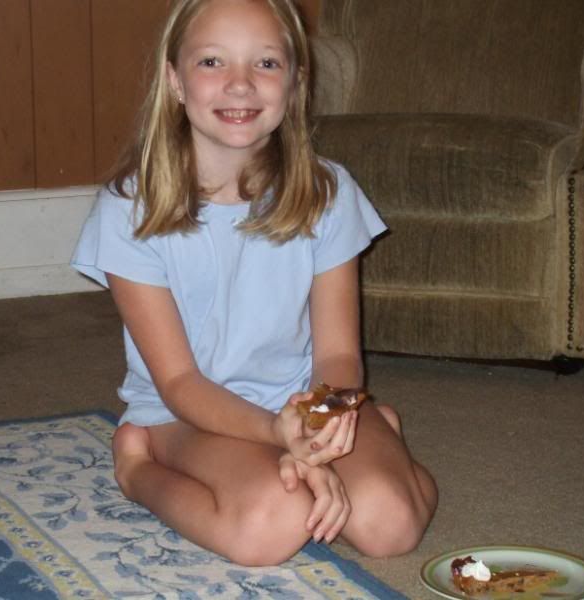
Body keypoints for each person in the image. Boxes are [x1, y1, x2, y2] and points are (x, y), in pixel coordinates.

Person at [71, 0, 437, 567]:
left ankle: (372, 431)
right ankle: (138, 468)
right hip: (183, 413)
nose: (240, 85)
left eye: (266, 63)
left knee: (391, 527)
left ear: (295, 82)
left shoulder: (328, 192)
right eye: (213, 61)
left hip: (300, 404)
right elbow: (178, 381)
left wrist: (322, 430)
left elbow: (338, 352)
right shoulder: (127, 209)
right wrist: (277, 435)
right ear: (174, 80)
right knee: (270, 529)